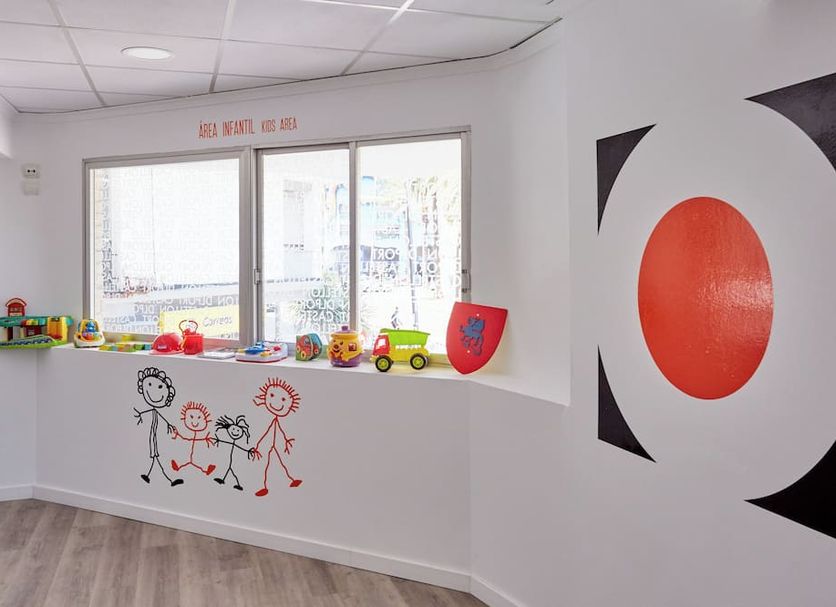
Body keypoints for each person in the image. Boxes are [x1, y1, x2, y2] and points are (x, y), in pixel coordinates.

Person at [251, 378, 303, 497]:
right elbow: (267, 433)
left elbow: (276, 430)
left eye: (283, 399)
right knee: (268, 462)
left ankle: (288, 480)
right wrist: (258, 446)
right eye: (272, 395)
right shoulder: (268, 419)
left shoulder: (274, 420)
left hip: (274, 444)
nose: (276, 402)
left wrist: (285, 440)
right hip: (269, 444)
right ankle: (264, 486)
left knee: (279, 461)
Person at [133, 367, 183, 487]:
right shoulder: (152, 411)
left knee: (156, 459)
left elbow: (162, 418)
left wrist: (169, 425)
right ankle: (168, 479)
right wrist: (140, 414)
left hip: (154, 440)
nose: (153, 392)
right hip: (152, 441)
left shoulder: (155, 411)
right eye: (149, 385)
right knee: (157, 459)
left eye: (160, 387)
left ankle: (154, 476)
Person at [170, 401, 216, 476]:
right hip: (188, 455)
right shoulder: (188, 433)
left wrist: (206, 439)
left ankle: (206, 470)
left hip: (196, 456)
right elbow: (184, 437)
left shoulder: (200, 435)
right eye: (191, 417)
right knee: (186, 459)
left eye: (199, 418)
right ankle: (178, 466)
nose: (195, 422)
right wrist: (177, 434)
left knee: (197, 461)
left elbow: (186, 438)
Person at [212, 415, 255, 491]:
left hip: (235, 461)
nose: (235, 432)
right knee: (229, 469)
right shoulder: (232, 442)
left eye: (238, 430)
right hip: (232, 461)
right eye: (233, 429)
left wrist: (248, 451)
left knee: (233, 471)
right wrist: (219, 440)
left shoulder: (235, 443)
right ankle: (225, 480)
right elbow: (227, 442)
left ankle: (238, 484)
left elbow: (240, 448)